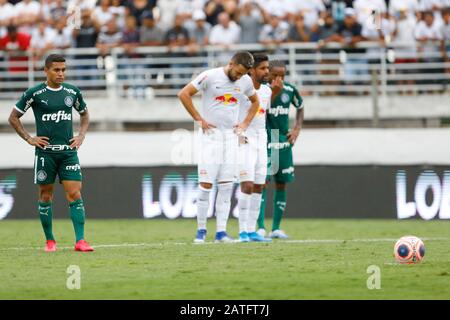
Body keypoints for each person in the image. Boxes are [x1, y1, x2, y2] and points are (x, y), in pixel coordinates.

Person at [8, 54, 94, 252]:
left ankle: (80, 241)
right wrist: (30, 139)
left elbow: (85, 114)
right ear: (45, 71)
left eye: (63, 70)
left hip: (68, 153)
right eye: (56, 70)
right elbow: (13, 117)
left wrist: (80, 136)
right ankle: (50, 241)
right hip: (45, 154)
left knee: (75, 194)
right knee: (46, 196)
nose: (61, 74)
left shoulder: (72, 92)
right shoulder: (34, 94)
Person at [177, 51, 260, 243]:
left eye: (242, 74)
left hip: (231, 137)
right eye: (237, 73)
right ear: (231, 64)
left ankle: (221, 232)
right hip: (210, 137)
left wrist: (245, 124)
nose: (239, 77)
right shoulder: (210, 76)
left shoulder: (245, 81)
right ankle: (201, 231)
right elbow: (184, 94)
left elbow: (255, 102)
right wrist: (199, 119)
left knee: (226, 186)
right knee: (206, 185)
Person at [257, 60, 304, 239]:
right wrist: (274, 93)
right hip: (267, 140)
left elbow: (300, 107)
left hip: (283, 142)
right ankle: (260, 227)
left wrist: (297, 128)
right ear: (268, 74)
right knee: (262, 183)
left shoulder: (290, 90)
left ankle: (276, 228)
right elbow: (260, 110)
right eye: (275, 75)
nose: (279, 79)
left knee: (281, 183)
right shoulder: (262, 91)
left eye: (282, 76)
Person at [237, 53, 273, 243]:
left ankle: (252, 231)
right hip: (244, 139)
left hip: (261, 140)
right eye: (263, 68)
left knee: (260, 185)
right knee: (247, 184)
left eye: (267, 68)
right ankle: (242, 231)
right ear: (252, 71)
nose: (267, 71)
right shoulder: (241, 88)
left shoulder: (267, 91)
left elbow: (264, 117)